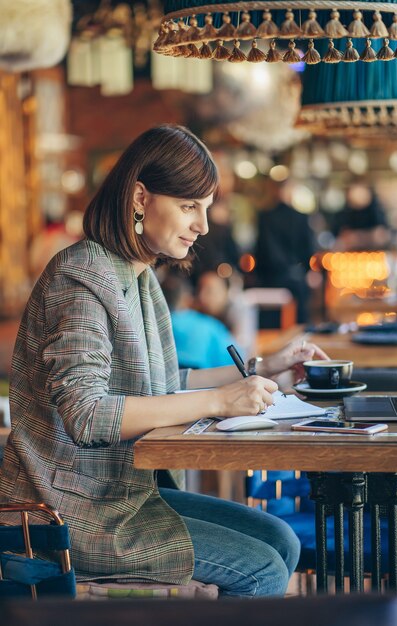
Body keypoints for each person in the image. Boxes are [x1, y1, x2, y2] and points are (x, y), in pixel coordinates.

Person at [0, 124, 327, 597]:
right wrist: (218, 400)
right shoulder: (82, 277)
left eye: (207, 207)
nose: (204, 225)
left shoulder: (139, 276)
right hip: (71, 510)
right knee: (264, 570)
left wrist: (258, 367)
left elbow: (160, 381)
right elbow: (86, 414)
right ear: (139, 198)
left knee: (281, 538)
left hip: (124, 495)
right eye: (189, 206)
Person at [255, 179, 316, 324]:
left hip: (271, 279)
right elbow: (308, 249)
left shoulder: (265, 217)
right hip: (296, 278)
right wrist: (307, 271)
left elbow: (261, 250)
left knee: (271, 322)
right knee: (299, 321)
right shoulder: (301, 217)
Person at [161, 272, 241, 369]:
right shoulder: (208, 328)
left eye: (210, 291)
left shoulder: (172, 319)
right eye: (199, 289)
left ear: (226, 294)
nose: (202, 297)